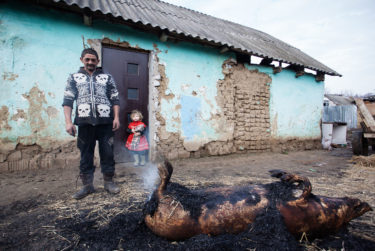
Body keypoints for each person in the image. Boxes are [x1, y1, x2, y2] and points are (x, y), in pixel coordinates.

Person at [62, 48, 121, 200]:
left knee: (107, 153)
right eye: (87, 59)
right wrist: (68, 122)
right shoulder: (74, 78)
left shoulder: (107, 78)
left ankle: (108, 182)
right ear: (81, 59)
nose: (90, 62)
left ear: (98, 61)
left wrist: (116, 118)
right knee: (85, 154)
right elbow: (68, 100)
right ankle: (87, 186)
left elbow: (115, 98)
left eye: (93, 60)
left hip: (105, 122)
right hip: (84, 123)